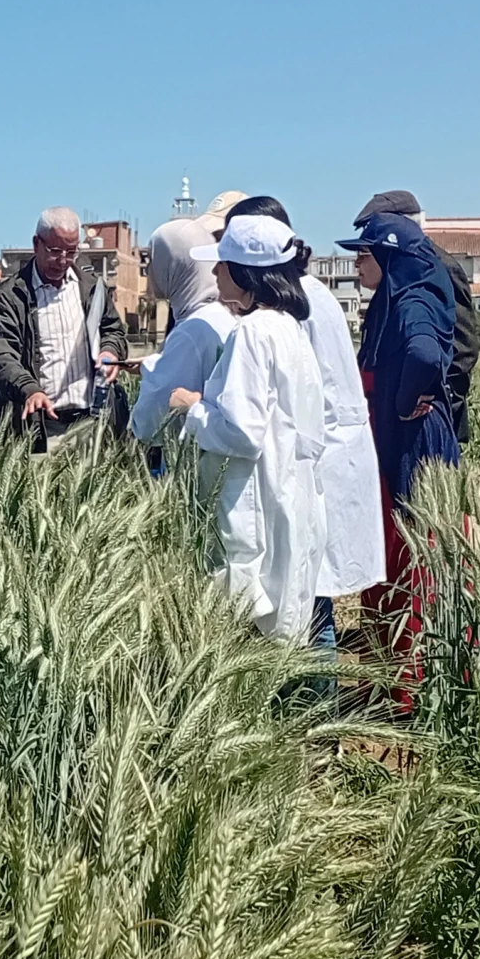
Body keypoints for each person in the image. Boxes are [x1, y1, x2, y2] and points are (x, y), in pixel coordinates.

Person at [220, 195, 387, 637]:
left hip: (314, 459)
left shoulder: (285, 311)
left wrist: (199, 412)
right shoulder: (304, 298)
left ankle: (318, 681)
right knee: (306, 595)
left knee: (306, 602)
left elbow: (259, 414)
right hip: (317, 456)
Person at [165, 215, 327, 640]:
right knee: (284, 628)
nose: (216, 271)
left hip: (255, 505)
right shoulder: (289, 328)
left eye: (223, 263)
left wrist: (193, 407)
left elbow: (242, 431)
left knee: (251, 620)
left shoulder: (253, 333)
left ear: (245, 272)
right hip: (289, 498)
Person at [339, 210, 464, 709]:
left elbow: (425, 355)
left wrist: (406, 400)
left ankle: (412, 687)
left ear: (389, 258)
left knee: (415, 562)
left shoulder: (413, 300)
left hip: (414, 447)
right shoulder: (395, 298)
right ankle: (390, 678)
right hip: (397, 439)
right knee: (394, 558)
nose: (356, 264)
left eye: (364, 255)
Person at [0, 207, 129, 446]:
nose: (63, 260)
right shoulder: (9, 297)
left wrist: (109, 351)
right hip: (39, 428)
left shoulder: (93, 289)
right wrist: (29, 389)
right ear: (36, 244)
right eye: (55, 251)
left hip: (92, 425)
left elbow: (113, 331)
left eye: (71, 252)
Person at [351, 190, 478, 447]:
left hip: (422, 418)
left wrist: (427, 395)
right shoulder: (391, 276)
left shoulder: (434, 266)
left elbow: (462, 345)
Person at [132, 216, 236, 460]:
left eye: (153, 260)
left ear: (173, 265)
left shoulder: (191, 331)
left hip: (194, 465)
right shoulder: (220, 316)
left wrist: (153, 371)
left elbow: (150, 422)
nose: (149, 271)